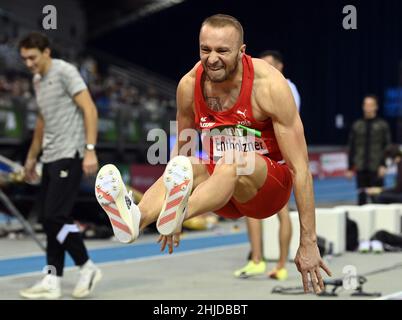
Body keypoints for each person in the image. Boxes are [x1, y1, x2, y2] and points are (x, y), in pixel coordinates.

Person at [95, 14, 331, 294]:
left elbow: (300, 169)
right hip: (221, 190)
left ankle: (180, 213)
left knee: (234, 161)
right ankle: (137, 220)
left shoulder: (268, 86)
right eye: (205, 49)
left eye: (222, 51)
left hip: (267, 188)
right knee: (191, 162)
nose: (212, 59)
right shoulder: (189, 85)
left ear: (242, 51)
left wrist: (309, 241)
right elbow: (180, 156)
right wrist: (173, 193)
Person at [18, 32, 102, 299]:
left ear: (46, 52)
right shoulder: (38, 80)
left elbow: (89, 109)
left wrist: (90, 150)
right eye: (24, 59)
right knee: (48, 218)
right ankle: (52, 279)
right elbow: (42, 122)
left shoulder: (65, 71)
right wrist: (32, 158)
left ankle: (87, 267)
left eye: (32, 57)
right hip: (51, 156)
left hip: (71, 152)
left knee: (55, 216)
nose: (29, 63)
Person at [233, 50, 300, 280]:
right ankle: (256, 260)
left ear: (280, 66)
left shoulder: (287, 88)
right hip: (253, 153)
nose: (263, 67)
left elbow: (283, 121)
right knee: (249, 210)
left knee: (281, 211)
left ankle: (281, 264)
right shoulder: (254, 87)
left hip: (277, 158)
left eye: (269, 64)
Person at [346, 94, 391, 205]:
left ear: (376, 107)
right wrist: (350, 167)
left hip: (376, 169)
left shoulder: (382, 125)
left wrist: (384, 165)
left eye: (371, 105)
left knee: (378, 200)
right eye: (366, 105)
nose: (368, 107)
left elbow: (387, 147)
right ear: (363, 106)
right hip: (361, 169)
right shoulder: (357, 125)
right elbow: (351, 147)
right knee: (361, 201)